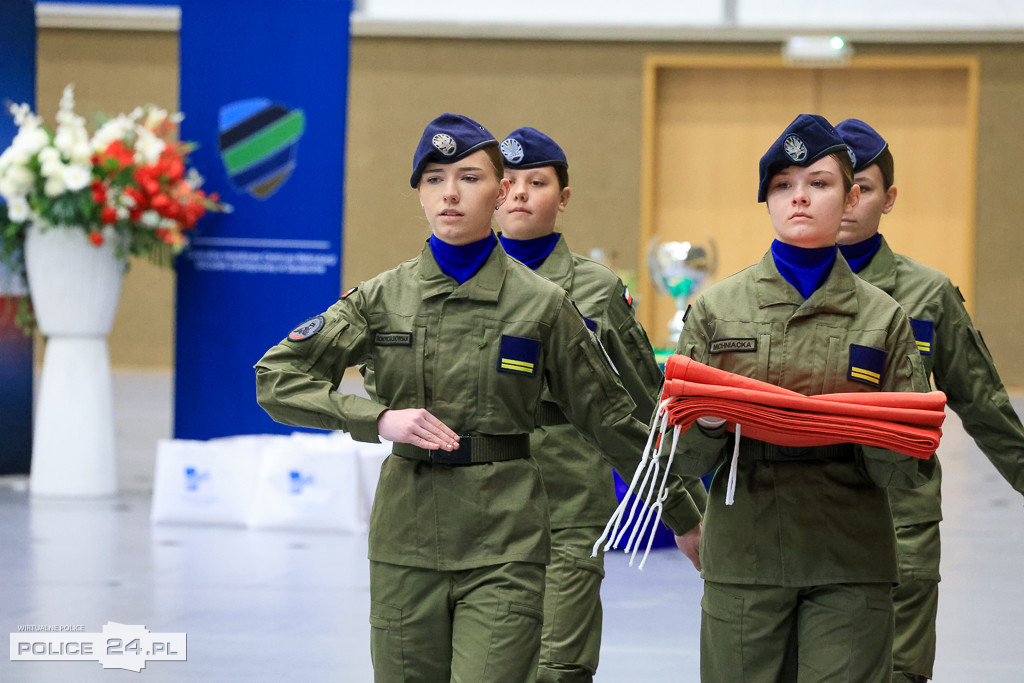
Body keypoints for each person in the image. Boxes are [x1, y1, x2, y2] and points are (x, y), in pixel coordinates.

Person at [253, 113, 703, 682]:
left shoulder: (542, 304)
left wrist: (685, 511)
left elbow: (612, 415)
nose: (450, 193)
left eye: (468, 177)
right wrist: (376, 418)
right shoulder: (381, 297)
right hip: (406, 533)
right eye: (434, 179)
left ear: (498, 191)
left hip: (506, 535)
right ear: (418, 193)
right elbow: (277, 376)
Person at [671, 113, 937, 682]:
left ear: (850, 199)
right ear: (766, 201)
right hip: (745, 551)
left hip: (850, 551)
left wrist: (878, 431)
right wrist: (711, 424)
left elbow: (910, 471)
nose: (800, 198)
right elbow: (681, 456)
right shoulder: (717, 311)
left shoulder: (884, 318)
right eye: (782, 185)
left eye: (819, 183)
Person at [493, 126, 706, 683]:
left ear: (562, 198)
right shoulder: (451, 281)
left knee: (559, 665)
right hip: (477, 500)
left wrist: (685, 512)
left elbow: (642, 406)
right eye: (507, 181)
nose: (519, 194)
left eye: (536, 182)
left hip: (567, 497)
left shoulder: (596, 291)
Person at [835, 118, 1024, 683]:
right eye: (831, 186)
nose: (845, 203)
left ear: (888, 199)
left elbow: (982, 400)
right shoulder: (764, 290)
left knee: (898, 671)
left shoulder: (927, 293)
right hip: (798, 513)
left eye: (861, 189)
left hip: (900, 516)